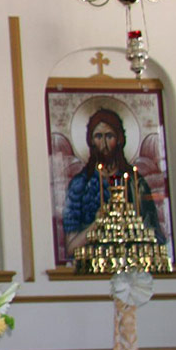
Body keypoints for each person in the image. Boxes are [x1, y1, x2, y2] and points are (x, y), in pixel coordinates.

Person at [63, 108, 162, 256]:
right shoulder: (80, 185)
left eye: (109, 136)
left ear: (120, 139)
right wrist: (97, 224)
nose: (104, 144)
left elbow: (155, 238)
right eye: (98, 136)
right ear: (91, 141)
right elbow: (71, 248)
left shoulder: (135, 183)